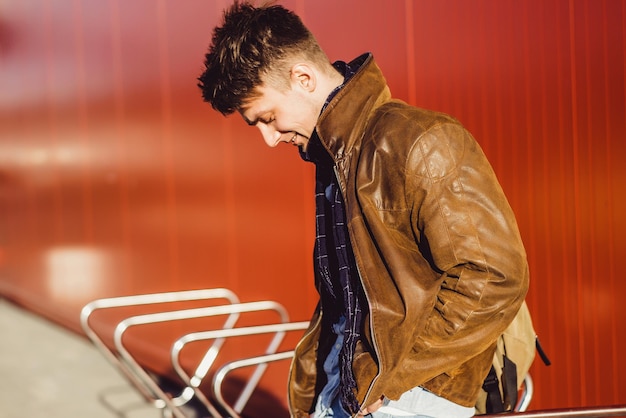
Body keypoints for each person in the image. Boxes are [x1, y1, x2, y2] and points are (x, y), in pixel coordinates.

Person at [198, 2, 529, 417]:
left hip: (408, 394)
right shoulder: (335, 157)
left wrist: (398, 382)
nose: (269, 139)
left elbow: (494, 275)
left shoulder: (419, 140)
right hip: (349, 387)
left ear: (303, 78)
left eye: (268, 117)